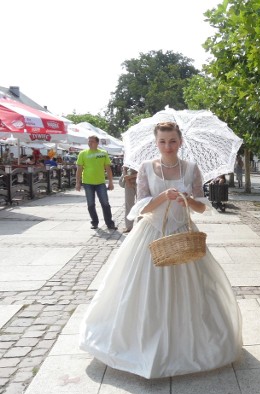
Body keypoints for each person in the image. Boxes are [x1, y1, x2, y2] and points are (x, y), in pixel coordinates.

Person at [79, 121, 242, 379]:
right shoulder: (145, 168)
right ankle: (144, 342)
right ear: (156, 143)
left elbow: (201, 206)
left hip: (182, 235)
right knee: (143, 290)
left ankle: (188, 342)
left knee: (190, 291)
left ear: (181, 142)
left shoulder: (191, 169)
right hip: (151, 235)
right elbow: (141, 207)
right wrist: (164, 196)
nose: (168, 146)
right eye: (163, 141)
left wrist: (186, 199)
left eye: (173, 141)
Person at [75, 135, 116, 230]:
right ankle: (94, 222)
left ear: (97, 143)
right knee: (90, 204)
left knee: (105, 203)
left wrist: (111, 182)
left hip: (100, 182)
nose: (90, 143)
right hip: (88, 182)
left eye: (92, 141)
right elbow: (79, 169)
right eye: (89, 141)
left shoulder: (103, 153)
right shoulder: (83, 153)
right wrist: (78, 182)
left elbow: (108, 168)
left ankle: (109, 223)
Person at [119, 166, 138, 233]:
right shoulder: (129, 157)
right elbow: (124, 169)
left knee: (141, 204)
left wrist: (130, 177)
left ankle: (140, 225)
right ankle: (128, 226)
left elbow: (143, 172)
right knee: (129, 204)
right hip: (129, 182)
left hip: (141, 182)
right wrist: (127, 181)